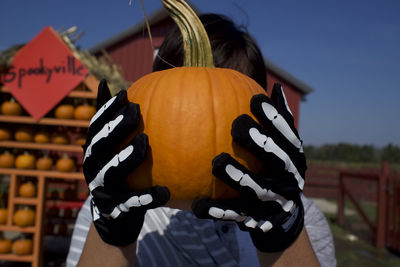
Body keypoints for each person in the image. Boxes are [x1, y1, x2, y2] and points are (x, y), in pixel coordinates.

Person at [67, 13, 336, 267]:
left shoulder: (302, 222)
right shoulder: (110, 210)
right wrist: (114, 239)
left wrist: (284, 235)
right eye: (178, 107)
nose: (199, 127)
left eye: (228, 104)